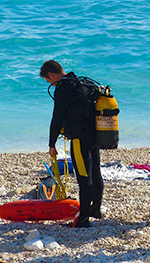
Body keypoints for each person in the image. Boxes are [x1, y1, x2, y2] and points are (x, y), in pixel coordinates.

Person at [40, 60, 104, 228]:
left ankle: (83, 220)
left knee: (84, 176)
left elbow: (57, 117)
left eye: (48, 81)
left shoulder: (63, 87)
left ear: (51, 75)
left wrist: (51, 144)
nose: (50, 84)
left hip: (79, 139)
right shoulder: (82, 82)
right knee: (95, 172)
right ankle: (95, 209)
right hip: (94, 135)